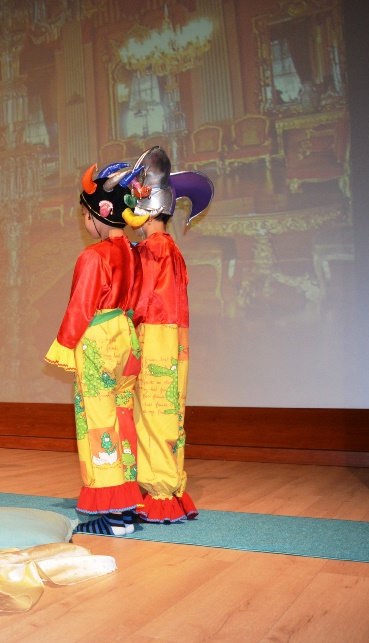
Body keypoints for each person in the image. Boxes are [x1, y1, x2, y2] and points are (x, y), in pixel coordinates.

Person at [44, 160, 146, 536]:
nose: (85, 222)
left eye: (85, 215)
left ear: (97, 215)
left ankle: (114, 515)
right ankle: (128, 508)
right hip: (126, 337)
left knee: (98, 420)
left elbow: (81, 306)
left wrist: (64, 344)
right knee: (122, 417)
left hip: (100, 339)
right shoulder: (133, 253)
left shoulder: (93, 256)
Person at [128, 146, 214, 523]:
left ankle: (160, 493)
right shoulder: (171, 248)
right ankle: (170, 487)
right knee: (168, 415)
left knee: (152, 415)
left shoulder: (153, 250)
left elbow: (141, 301)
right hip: (173, 341)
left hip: (154, 339)